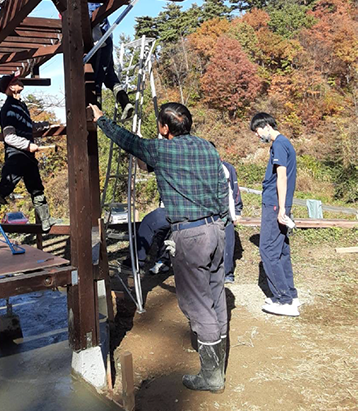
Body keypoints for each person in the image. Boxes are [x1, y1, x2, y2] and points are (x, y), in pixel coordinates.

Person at [90, 101, 229, 392]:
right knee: (216, 296)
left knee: (196, 303)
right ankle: (219, 361)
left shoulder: (161, 148)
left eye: (159, 126)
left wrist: (102, 119)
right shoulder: (207, 148)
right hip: (217, 229)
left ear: (165, 128)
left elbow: (128, 141)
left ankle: (212, 376)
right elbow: (220, 189)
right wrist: (223, 223)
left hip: (190, 235)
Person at [0, 74, 53, 232]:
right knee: (3, 190)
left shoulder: (21, 106)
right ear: (11, 88)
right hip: (16, 156)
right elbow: (9, 137)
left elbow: (28, 126)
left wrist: (43, 125)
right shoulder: (7, 110)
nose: (20, 82)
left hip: (27, 157)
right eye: (16, 81)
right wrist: (28, 145)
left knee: (37, 189)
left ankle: (46, 223)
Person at [250, 112, 300, 317]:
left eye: (258, 130)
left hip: (274, 204)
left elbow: (282, 177)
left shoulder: (279, 144)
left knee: (268, 250)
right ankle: (291, 294)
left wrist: (280, 209)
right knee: (281, 250)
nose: (257, 135)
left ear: (267, 126)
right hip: (279, 203)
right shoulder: (284, 143)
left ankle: (284, 300)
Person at [87, 2, 133, 120]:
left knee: (95, 77)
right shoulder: (95, 1)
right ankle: (125, 102)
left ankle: (97, 113)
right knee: (109, 76)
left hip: (99, 43)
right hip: (106, 40)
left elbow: (87, 18)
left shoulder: (84, 2)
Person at [209, 143, 243, 283]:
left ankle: (228, 273)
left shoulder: (227, 168)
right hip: (209, 213)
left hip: (227, 211)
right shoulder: (202, 168)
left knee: (228, 242)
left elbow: (235, 190)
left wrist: (237, 210)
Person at [120, 204, 171, 274]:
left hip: (176, 212)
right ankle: (163, 261)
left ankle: (137, 260)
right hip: (186, 212)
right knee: (163, 231)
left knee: (148, 223)